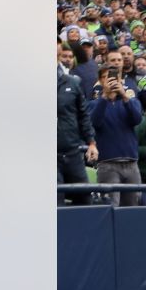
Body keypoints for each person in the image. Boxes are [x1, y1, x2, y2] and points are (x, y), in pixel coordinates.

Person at [90, 67, 145, 207]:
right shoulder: (94, 104)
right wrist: (104, 97)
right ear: (101, 81)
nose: (112, 80)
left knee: (133, 208)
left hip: (131, 163)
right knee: (111, 207)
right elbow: (95, 122)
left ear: (121, 80)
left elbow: (137, 119)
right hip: (108, 164)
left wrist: (125, 96)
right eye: (106, 77)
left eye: (116, 77)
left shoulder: (131, 102)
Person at [58, 53, 98, 206]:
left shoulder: (72, 83)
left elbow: (83, 116)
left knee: (85, 199)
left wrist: (91, 142)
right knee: (56, 201)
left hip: (72, 152)